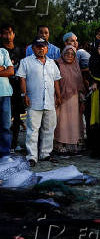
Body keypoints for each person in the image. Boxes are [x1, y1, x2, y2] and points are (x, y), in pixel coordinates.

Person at [17, 37, 62, 166]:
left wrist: (58, 96)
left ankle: (45, 154)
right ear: (33, 48)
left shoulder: (52, 63)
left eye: (43, 46)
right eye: (38, 46)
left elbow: (56, 80)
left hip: (49, 101)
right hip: (33, 100)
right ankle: (32, 156)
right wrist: (24, 94)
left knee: (49, 128)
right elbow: (22, 79)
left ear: (47, 48)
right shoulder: (26, 62)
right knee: (33, 129)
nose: (41, 48)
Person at [53, 46, 86, 155]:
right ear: (62, 53)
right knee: (61, 123)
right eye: (67, 53)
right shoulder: (57, 64)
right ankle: (60, 145)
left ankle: (73, 146)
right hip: (61, 99)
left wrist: (82, 101)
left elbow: (80, 84)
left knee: (74, 123)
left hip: (75, 100)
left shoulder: (76, 65)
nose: (69, 55)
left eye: (72, 54)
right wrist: (57, 97)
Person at [0, 24, 26, 152]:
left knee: (17, 116)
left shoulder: (20, 51)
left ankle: (14, 143)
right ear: (1, 35)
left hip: (16, 87)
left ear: (14, 35)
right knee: (4, 118)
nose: (7, 36)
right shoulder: (1, 51)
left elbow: (21, 69)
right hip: (3, 87)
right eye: (5, 33)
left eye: (10, 33)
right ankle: (4, 144)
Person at [0, 40, 14, 163]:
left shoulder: (3, 51)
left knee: (5, 126)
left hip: (4, 93)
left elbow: (10, 71)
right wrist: (2, 69)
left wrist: (5, 69)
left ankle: (5, 154)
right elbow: (6, 70)